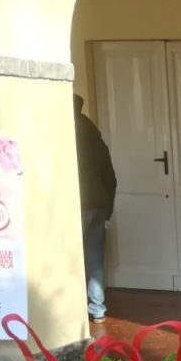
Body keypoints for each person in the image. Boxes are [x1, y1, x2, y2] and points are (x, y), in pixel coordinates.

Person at [73, 93, 117, 324]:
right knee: (95, 257)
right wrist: (108, 207)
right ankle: (98, 309)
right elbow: (110, 174)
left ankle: (70, 314)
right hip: (98, 201)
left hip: (76, 202)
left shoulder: (63, 133)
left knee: (70, 257)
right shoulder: (93, 133)